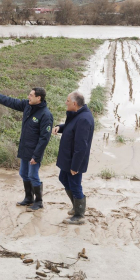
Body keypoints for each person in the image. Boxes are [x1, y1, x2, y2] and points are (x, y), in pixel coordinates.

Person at [0, 87, 53, 211]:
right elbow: (10, 101)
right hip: (24, 148)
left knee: (33, 175)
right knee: (23, 173)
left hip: (34, 152)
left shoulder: (46, 115)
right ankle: (28, 198)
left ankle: (39, 201)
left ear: (39, 98)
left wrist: (36, 156)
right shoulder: (27, 106)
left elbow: (44, 138)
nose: (28, 97)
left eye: (31, 95)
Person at [52, 91, 94, 225]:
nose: (66, 102)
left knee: (75, 185)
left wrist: (75, 166)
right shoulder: (78, 115)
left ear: (75, 103)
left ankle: (79, 215)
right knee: (63, 178)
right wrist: (60, 127)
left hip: (75, 160)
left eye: (68, 101)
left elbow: (81, 146)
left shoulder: (84, 119)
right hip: (68, 158)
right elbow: (71, 127)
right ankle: (76, 206)